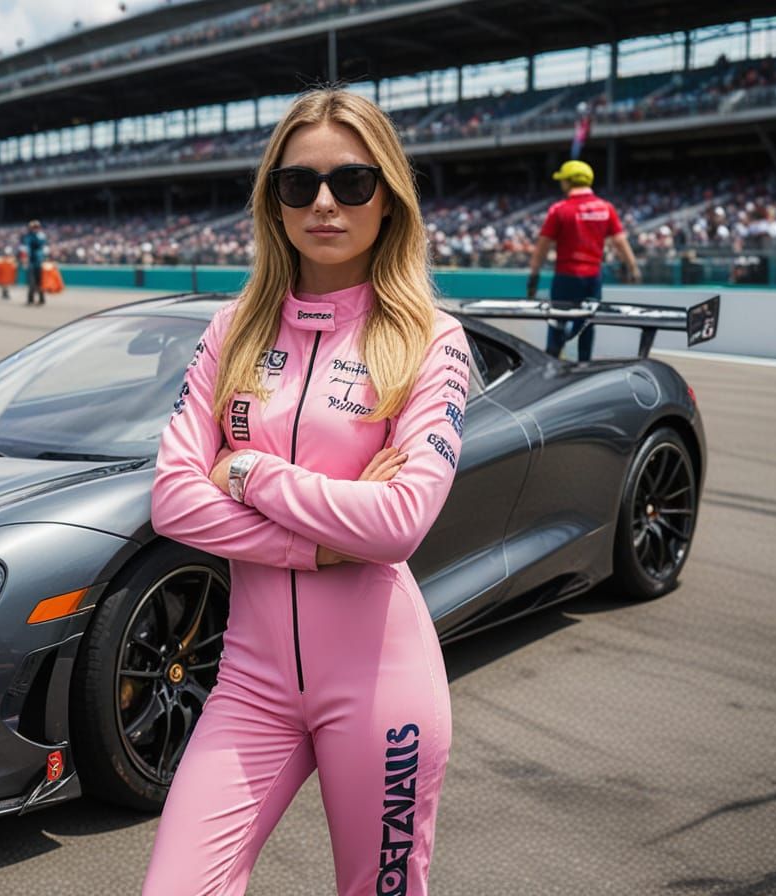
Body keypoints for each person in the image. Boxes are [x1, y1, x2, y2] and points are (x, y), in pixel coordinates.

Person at [145, 88, 470, 896]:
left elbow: (397, 524)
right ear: (275, 202)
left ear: (388, 199)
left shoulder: (431, 339)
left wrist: (247, 473)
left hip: (380, 684)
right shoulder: (233, 330)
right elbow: (172, 501)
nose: (325, 203)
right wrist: (319, 543)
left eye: (352, 182)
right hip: (248, 684)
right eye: (299, 184)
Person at [526, 159, 641, 361]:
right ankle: (584, 364)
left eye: (562, 180)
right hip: (593, 278)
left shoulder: (559, 209)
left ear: (568, 181)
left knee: (558, 321)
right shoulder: (606, 208)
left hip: (565, 278)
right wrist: (633, 268)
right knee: (587, 323)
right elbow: (620, 242)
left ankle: (552, 361)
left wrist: (534, 275)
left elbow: (543, 246)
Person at [20, 219, 48, 305]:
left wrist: (46, 259)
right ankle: (30, 299)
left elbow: (44, 248)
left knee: (40, 281)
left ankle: (41, 299)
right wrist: (24, 260)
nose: (35, 228)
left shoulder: (41, 236)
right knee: (31, 282)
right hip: (31, 262)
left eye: (36, 227)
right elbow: (24, 249)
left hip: (39, 262)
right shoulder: (27, 237)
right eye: (33, 227)